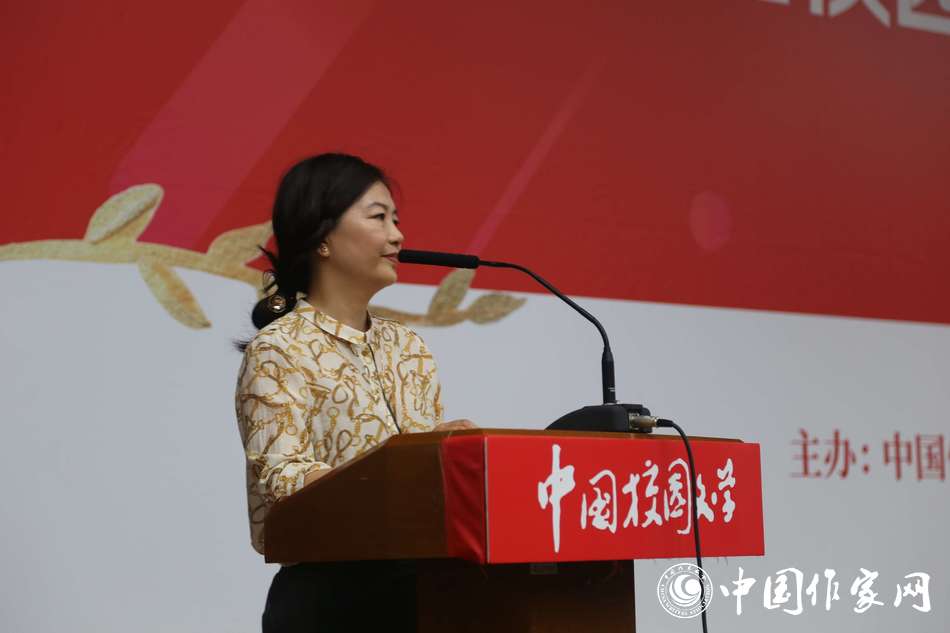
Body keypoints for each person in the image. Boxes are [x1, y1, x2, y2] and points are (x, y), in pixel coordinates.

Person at [233, 153, 477, 632]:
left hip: (423, 591)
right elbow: (284, 480)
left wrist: (445, 450)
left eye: (396, 220)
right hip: (330, 599)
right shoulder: (279, 349)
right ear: (322, 237)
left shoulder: (408, 347)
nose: (398, 236)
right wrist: (397, 465)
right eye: (379, 217)